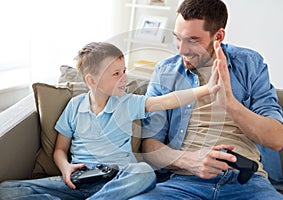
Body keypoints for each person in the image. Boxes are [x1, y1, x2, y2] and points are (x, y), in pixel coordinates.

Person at [0, 42, 220, 200]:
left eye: (124, 71)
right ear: (91, 80)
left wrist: (206, 89)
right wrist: (66, 168)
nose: (124, 78)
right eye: (116, 74)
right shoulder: (75, 106)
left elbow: (167, 100)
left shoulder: (128, 103)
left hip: (117, 180)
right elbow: (60, 149)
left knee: (143, 172)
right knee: (7, 190)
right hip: (78, 180)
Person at [131, 0, 283, 199]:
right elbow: (150, 145)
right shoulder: (166, 72)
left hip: (246, 182)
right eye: (177, 38)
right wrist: (190, 160)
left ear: (219, 36)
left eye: (192, 40)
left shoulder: (250, 64)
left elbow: (276, 140)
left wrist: (229, 103)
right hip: (184, 181)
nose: (181, 50)